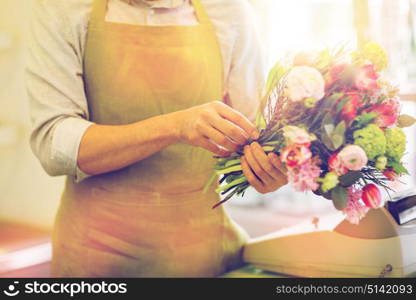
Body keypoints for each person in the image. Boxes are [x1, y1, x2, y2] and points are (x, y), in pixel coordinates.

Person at [27, 0, 287, 277]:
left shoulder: (228, 11)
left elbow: (253, 134)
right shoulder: (63, 9)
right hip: (94, 255)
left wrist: (266, 170)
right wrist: (174, 126)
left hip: (202, 253)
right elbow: (54, 144)